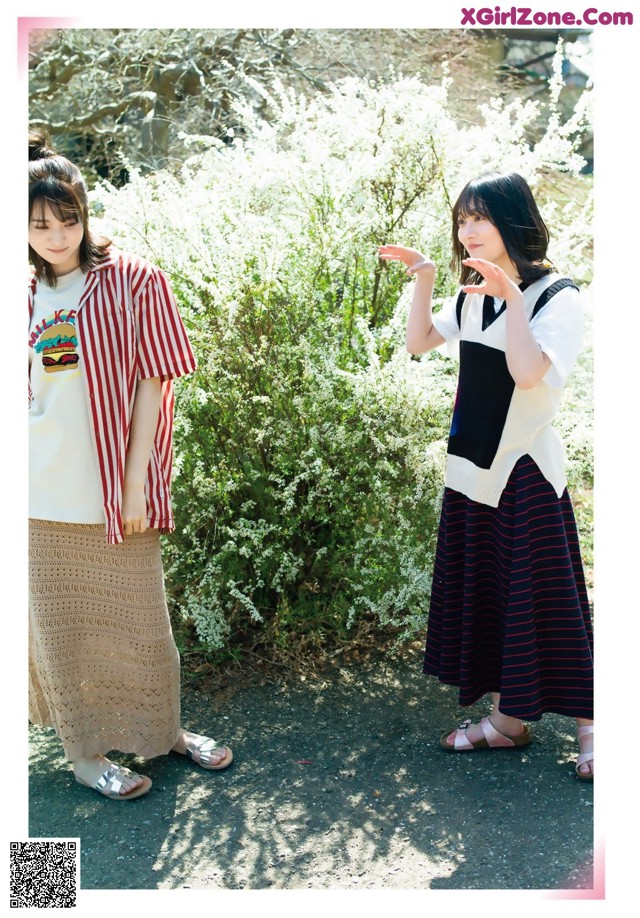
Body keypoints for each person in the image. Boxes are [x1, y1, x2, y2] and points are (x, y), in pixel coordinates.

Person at [28, 130, 233, 800]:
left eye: (67, 220)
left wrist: (140, 475)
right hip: (36, 492)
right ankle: (85, 755)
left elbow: (157, 377)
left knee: (145, 624)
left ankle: (163, 730)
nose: (55, 235)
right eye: (38, 224)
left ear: (86, 216)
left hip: (114, 488)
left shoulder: (133, 281)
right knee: (63, 631)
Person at [378, 171, 594, 780]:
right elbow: (419, 341)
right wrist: (425, 279)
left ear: (512, 219)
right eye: (462, 221)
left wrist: (516, 298)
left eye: (480, 219)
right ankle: (508, 721)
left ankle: (594, 726)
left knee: (549, 599)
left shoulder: (559, 297)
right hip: (471, 472)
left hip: (524, 473)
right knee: (499, 601)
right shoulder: (474, 291)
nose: (468, 231)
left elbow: (529, 375)